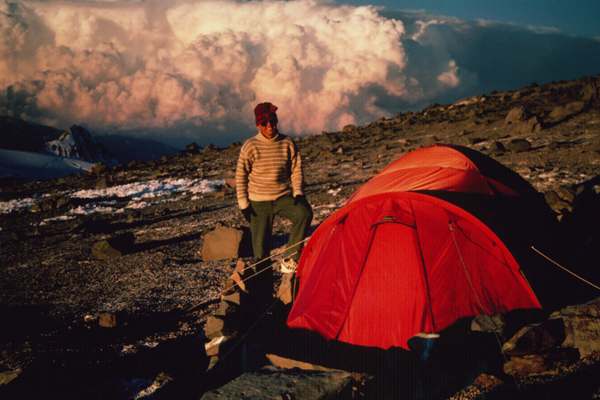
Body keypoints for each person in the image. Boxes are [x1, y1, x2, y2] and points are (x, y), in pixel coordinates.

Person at [235, 102, 312, 304]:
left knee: (304, 214)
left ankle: (290, 260)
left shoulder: (287, 143)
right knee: (260, 250)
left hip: (282, 196)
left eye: (273, 122)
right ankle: (264, 294)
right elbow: (241, 175)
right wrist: (244, 204)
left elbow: (296, 168)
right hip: (258, 200)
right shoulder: (250, 146)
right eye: (265, 123)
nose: (270, 127)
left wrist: (298, 192)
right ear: (258, 125)